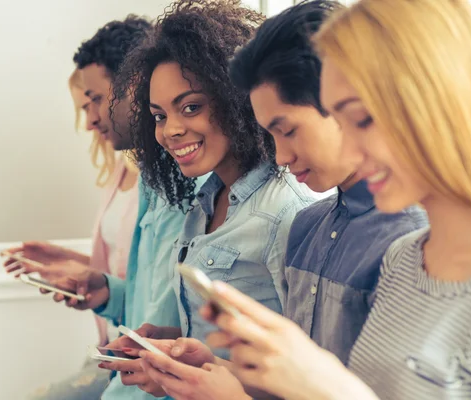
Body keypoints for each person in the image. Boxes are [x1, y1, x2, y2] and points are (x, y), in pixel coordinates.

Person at [142, 0, 471, 399]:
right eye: (342, 119)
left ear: (436, 105)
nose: (353, 149)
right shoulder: (404, 260)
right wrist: (236, 371)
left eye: (360, 119)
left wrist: (323, 386)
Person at [131, 2, 426, 399]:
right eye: (159, 115)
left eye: (287, 131)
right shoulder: (308, 225)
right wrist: (209, 365)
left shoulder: (408, 243)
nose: (282, 157)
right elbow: (292, 375)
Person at [102, 0, 317, 397]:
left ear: (235, 98)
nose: (171, 131)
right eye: (160, 116)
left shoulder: (287, 211)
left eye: (191, 107)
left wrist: (177, 375)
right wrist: (172, 344)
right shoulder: (205, 202)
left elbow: (305, 372)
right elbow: (219, 342)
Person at [6, 16, 185, 400]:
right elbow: (143, 301)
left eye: (96, 100)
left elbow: (167, 328)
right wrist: (101, 288)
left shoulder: (182, 187)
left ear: (132, 86)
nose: (89, 120)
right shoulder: (153, 180)